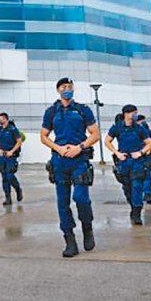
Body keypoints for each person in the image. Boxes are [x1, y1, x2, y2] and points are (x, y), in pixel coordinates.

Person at [41, 78, 100, 258]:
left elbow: (95, 133)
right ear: (58, 90)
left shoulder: (83, 110)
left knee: (81, 197)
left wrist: (79, 147)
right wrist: (58, 148)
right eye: (64, 87)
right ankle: (70, 240)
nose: (68, 90)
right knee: (62, 202)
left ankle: (87, 228)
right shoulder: (51, 112)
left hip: (79, 159)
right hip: (59, 161)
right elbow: (44, 136)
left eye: (70, 87)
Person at [105, 104, 151, 225]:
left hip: (137, 161)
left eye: (135, 112)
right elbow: (107, 141)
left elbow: (150, 143)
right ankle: (133, 207)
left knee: (137, 186)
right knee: (126, 188)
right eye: (132, 113)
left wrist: (141, 152)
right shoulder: (117, 127)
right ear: (125, 114)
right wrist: (116, 153)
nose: (134, 115)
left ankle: (137, 213)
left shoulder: (139, 128)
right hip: (124, 161)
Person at [0, 113, 23, 206]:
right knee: (4, 178)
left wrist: (12, 151)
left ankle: (18, 189)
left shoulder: (12, 129)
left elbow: (19, 142)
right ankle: (8, 198)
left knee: (10, 176)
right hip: (2, 156)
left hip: (11, 155)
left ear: (5, 119)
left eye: (1, 119)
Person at [136, 114, 151, 204]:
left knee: (146, 175)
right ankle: (141, 194)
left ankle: (147, 194)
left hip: (146, 156)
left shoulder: (148, 131)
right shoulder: (135, 131)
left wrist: (149, 150)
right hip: (138, 156)